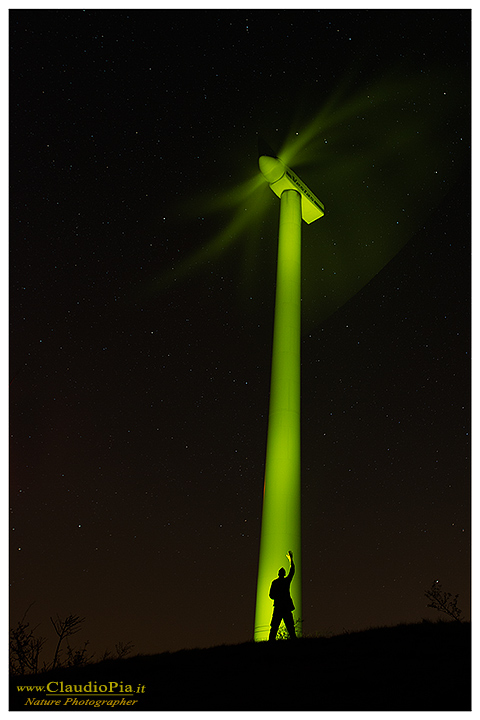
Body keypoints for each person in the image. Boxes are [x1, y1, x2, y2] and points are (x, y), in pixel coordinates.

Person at [268, 550, 297, 641]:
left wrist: (277, 597)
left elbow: (271, 595)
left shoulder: (275, 582)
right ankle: (294, 640)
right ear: (284, 574)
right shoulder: (286, 581)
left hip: (278, 607)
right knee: (290, 626)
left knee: (275, 626)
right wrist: (291, 560)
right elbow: (292, 571)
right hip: (285, 607)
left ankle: (271, 641)